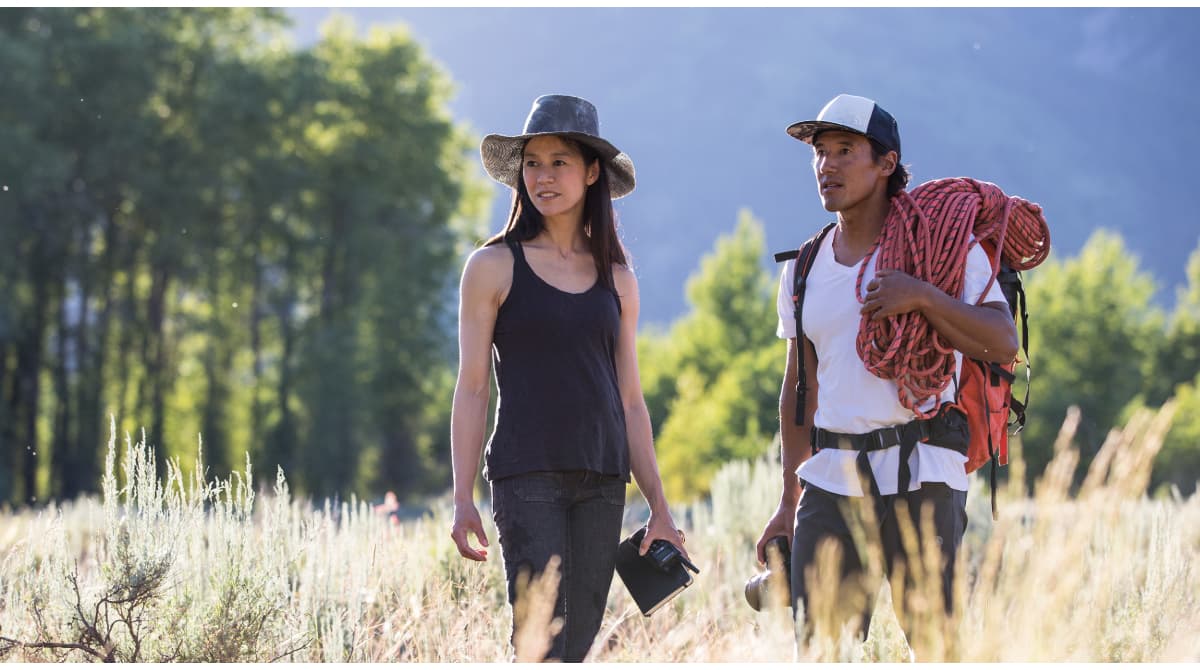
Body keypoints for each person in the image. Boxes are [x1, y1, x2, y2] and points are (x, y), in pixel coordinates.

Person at [755, 94, 1019, 648]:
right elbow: (799, 390)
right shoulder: (802, 268)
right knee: (821, 648)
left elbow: (1000, 342)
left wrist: (921, 296)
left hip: (923, 468)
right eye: (820, 153)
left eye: (845, 150)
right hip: (831, 478)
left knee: (935, 644)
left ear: (886, 163)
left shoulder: (941, 248)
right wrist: (787, 502)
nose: (827, 165)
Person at [450, 94, 687, 662]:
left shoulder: (619, 279)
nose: (543, 176)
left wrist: (659, 507)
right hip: (525, 475)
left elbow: (631, 400)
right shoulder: (492, 266)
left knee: (576, 646)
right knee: (541, 643)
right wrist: (461, 497)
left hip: (604, 479)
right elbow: (473, 387)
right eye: (533, 163)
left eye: (559, 162)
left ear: (590, 172)